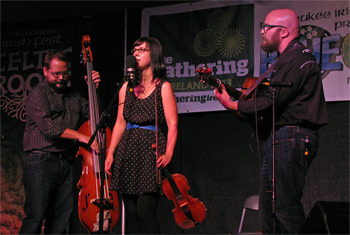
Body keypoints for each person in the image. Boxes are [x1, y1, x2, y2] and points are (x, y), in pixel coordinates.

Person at [214, 9, 328, 234]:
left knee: (283, 207)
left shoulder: (298, 58)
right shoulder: (286, 59)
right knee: (270, 211)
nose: (263, 32)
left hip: (291, 138)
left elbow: (272, 101)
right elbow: (268, 100)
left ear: (284, 32)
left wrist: (234, 105)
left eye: (267, 27)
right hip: (282, 138)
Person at [20, 50, 101, 234]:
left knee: (61, 220)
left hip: (66, 162)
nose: (61, 78)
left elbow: (94, 117)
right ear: (45, 71)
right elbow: (51, 128)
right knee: (35, 217)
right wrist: (81, 137)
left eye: (65, 73)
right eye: (56, 74)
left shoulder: (74, 95)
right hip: (41, 160)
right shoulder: (38, 93)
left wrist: (93, 89)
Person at [105, 37, 178, 234]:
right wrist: (111, 151)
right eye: (135, 49)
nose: (136, 53)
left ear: (153, 55)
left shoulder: (163, 86)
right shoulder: (125, 87)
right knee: (131, 216)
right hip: (128, 151)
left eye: (142, 50)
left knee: (146, 212)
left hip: (149, 152)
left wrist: (169, 152)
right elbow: (120, 122)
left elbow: (172, 124)